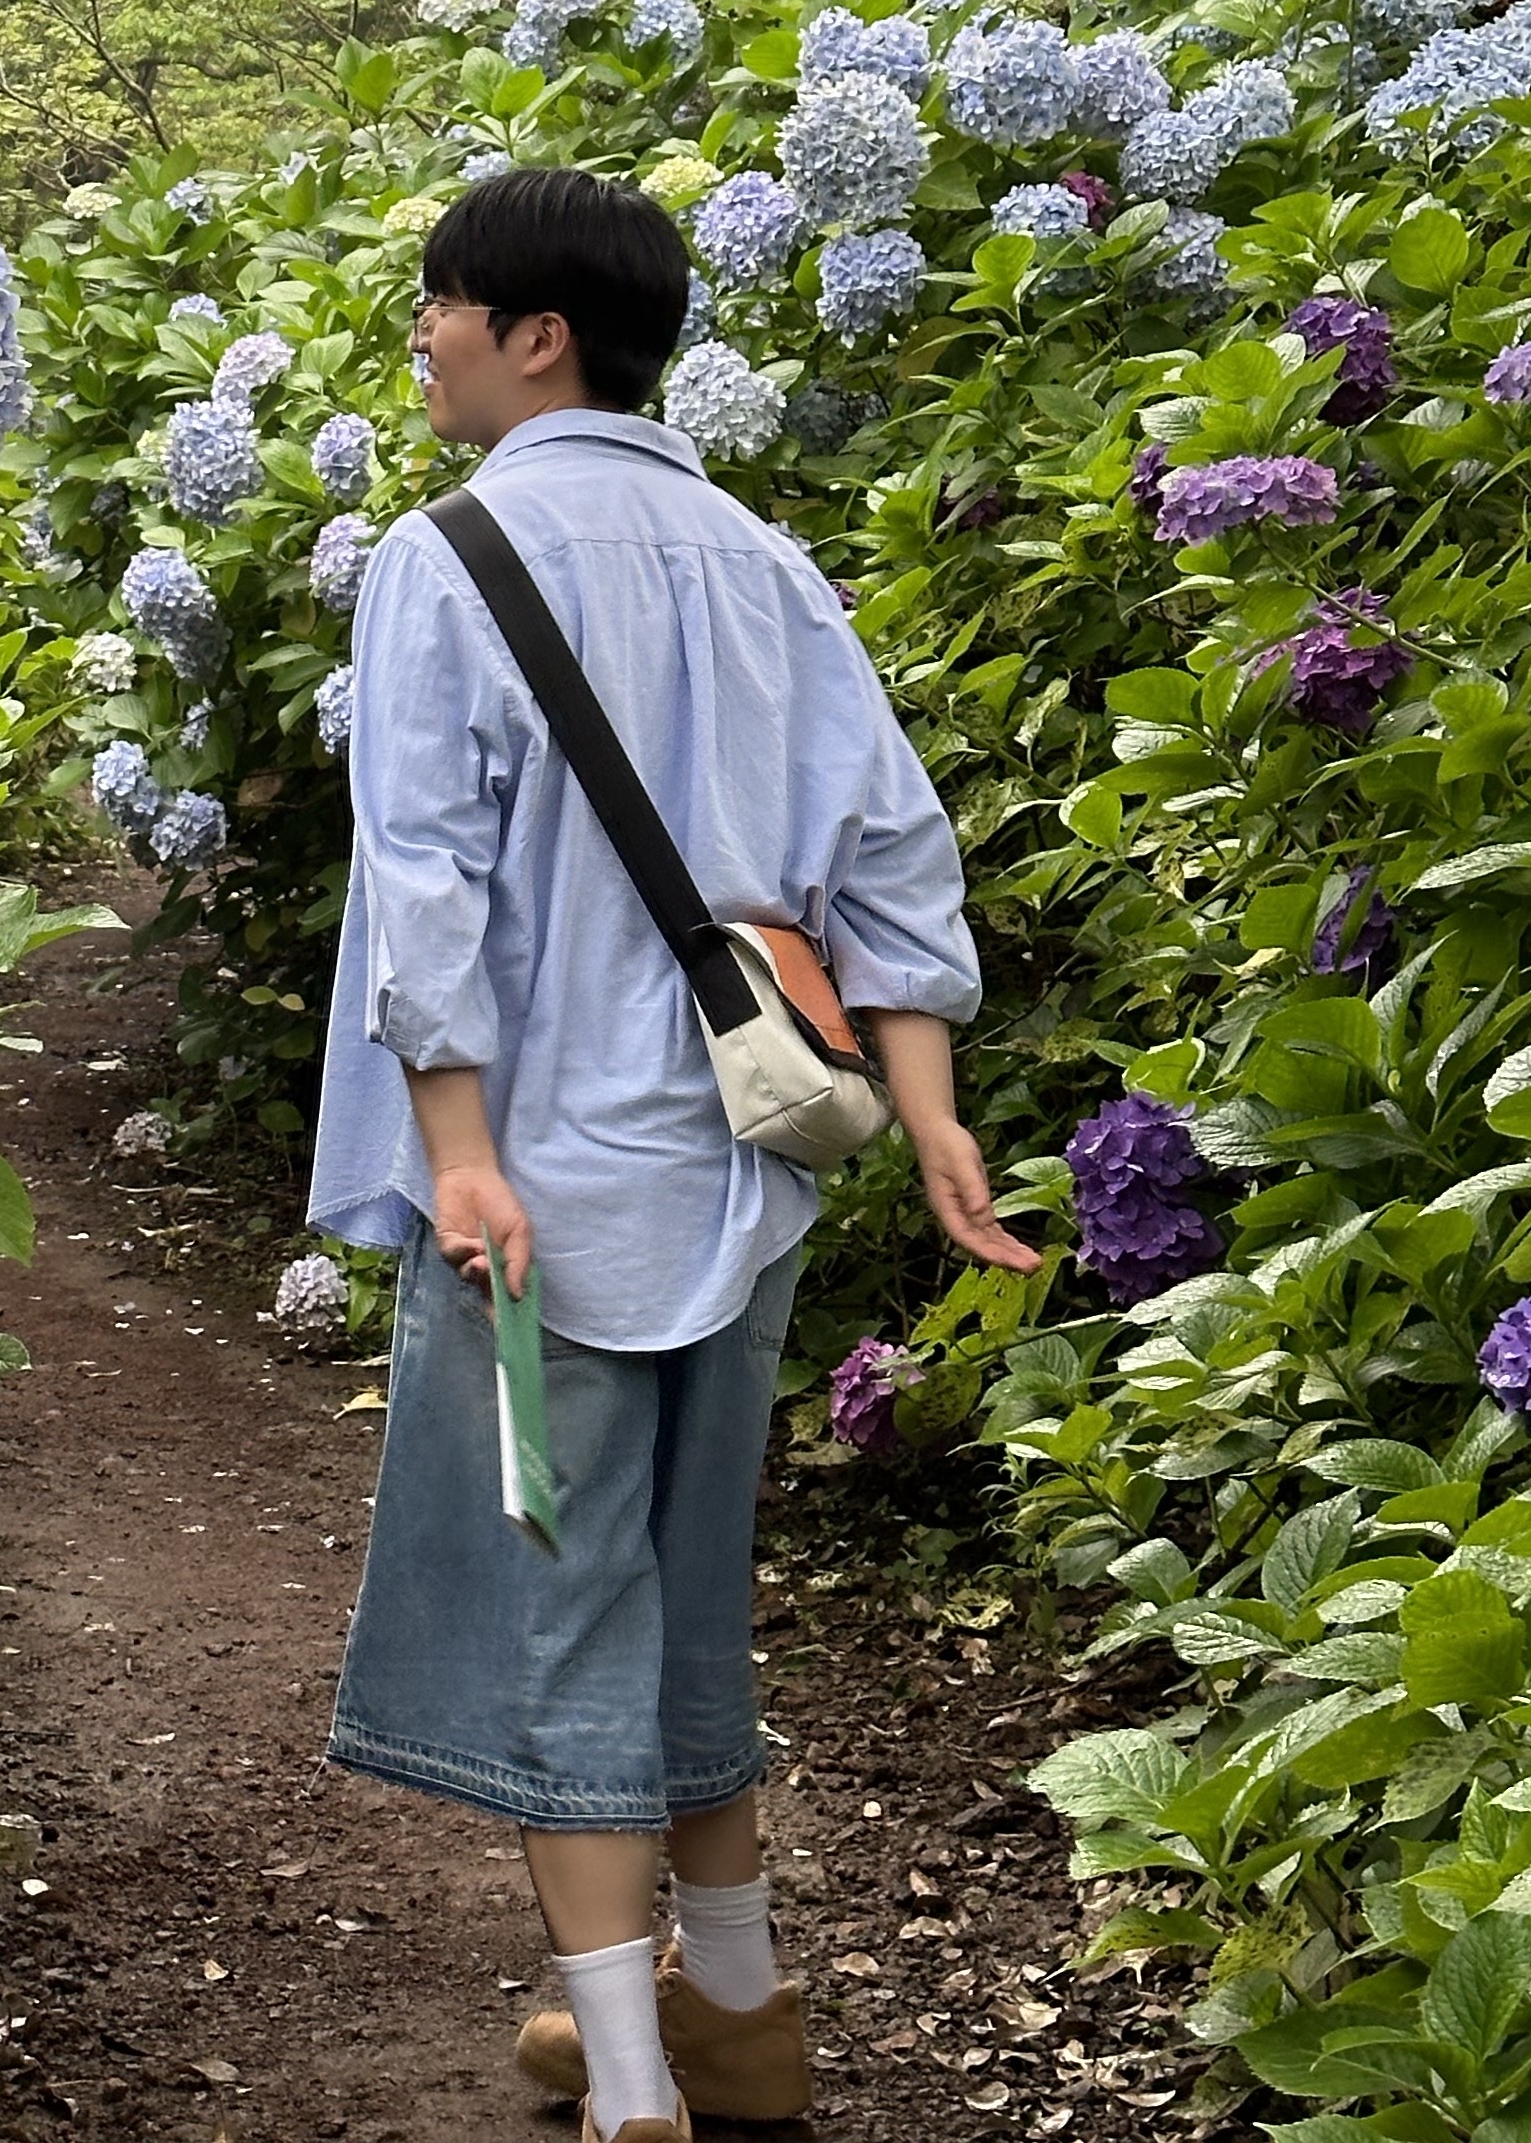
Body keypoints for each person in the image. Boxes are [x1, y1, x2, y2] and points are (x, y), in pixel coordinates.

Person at [308, 165, 1039, 2143]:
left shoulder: (440, 559)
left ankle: (634, 2094)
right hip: (746, 1172)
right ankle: (736, 2012)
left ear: (536, 334)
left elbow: (426, 886)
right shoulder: (761, 559)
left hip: (535, 1192)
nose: (427, 334)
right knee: (692, 1582)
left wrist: (455, 1149)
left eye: (445, 302)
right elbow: (887, 851)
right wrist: (940, 1118)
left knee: (563, 1603)